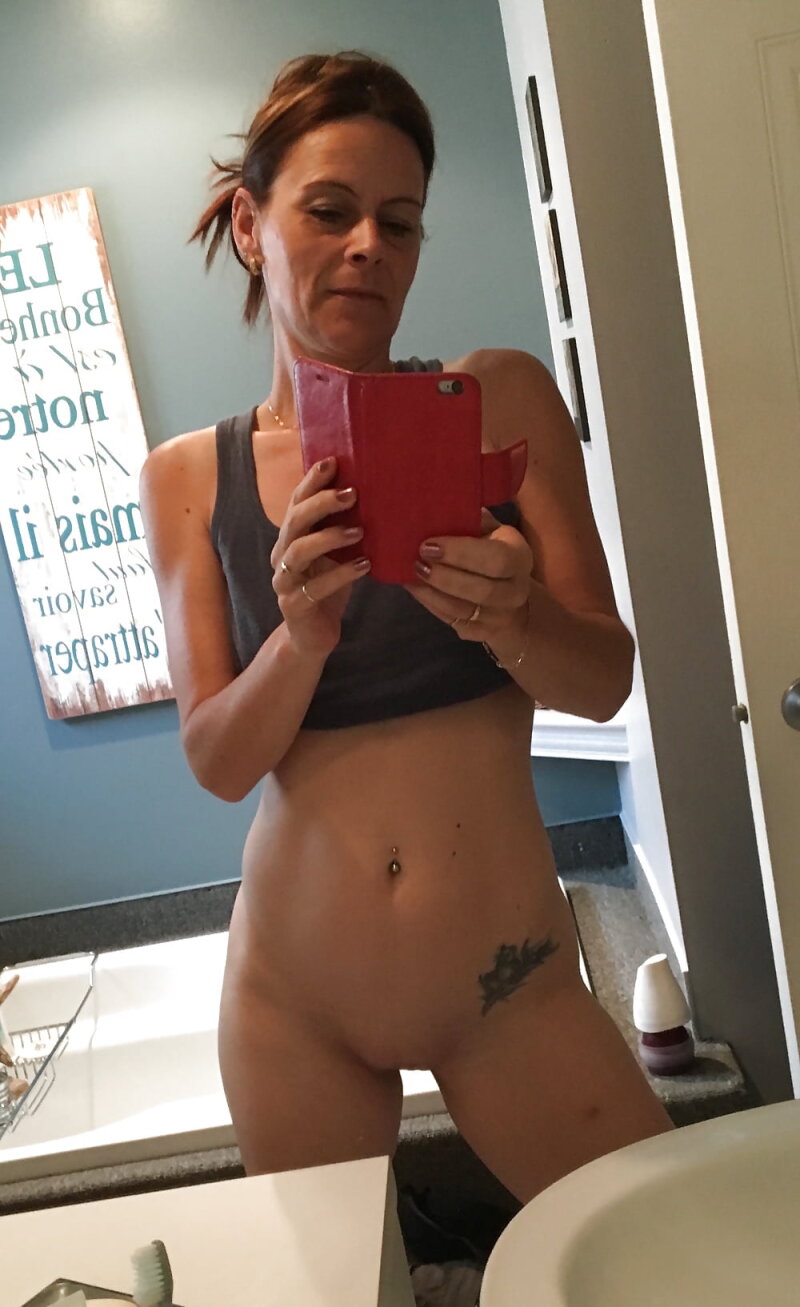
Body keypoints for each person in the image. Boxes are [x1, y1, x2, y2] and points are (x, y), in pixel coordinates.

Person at [140, 49, 673, 1206]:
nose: (367, 246)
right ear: (250, 225)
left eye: (398, 220)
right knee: (344, 1289)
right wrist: (300, 635)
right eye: (328, 210)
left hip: (509, 987)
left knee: (657, 1262)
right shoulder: (187, 476)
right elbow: (218, 759)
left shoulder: (500, 397)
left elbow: (601, 681)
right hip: (293, 1004)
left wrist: (515, 617)